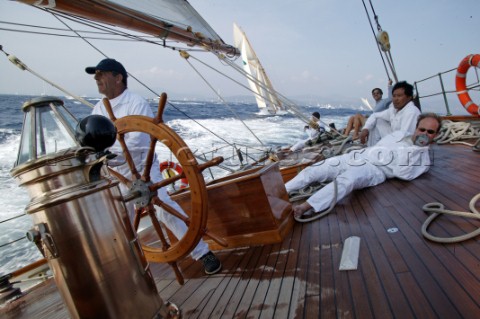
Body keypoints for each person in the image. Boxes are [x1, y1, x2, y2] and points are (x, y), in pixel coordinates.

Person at [85, 58, 221, 275]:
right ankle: (130, 268)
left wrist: (108, 156)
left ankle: (203, 253)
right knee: (122, 220)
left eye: (101, 74)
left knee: (164, 207)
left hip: (143, 167)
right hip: (116, 174)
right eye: (96, 75)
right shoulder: (98, 108)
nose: (96, 78)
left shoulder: (136, 103)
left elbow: (139, 141)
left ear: (118, 77)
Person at [286, 113, 442, 217]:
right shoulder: (400, 134)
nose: (424, 134)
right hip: (358, 156)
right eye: (421, 129)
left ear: (435, 135)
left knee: (348, 180)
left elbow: (403, 173)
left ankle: (306, 206)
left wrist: (417, 149)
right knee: (317, 169)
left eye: (430, 132)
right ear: (416, 128)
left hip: (375, 169)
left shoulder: (424, 160)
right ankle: (283, 190)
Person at [359, 81, 420, 146]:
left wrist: (382, 143)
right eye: (394, 96)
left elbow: (404, 138)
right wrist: (365, 128)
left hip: (403, 145)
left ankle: (375, 149)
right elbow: (375, 115)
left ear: (409, 97)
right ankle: (371, 148)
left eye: (399, 96)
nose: (395, 99)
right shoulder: (394, 110)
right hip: (394, 139)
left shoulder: (411, 112)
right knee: (378, 121)